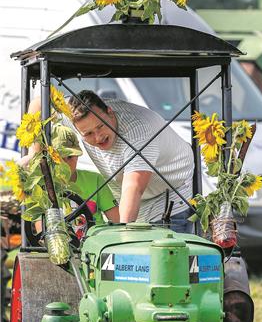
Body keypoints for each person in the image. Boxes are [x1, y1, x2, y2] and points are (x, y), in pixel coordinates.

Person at [27, 90, 194, 231]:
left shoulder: (138, 133)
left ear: (110, 112)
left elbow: (133, 188)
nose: (98, 137)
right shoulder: (74, 116)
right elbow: (39, 102)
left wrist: (120, 240)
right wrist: (35, 157)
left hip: (168, 199)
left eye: (101, 126)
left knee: (164, 261)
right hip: (126, 199)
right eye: (88, 134)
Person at [51, 125, 120, 225]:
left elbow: (117, 221)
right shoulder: (41, 186)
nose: (65, 163)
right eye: (59, 158)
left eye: (70, 157)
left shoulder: (95, 179)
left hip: (95, 239)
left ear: (77, 156)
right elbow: (41, 231)